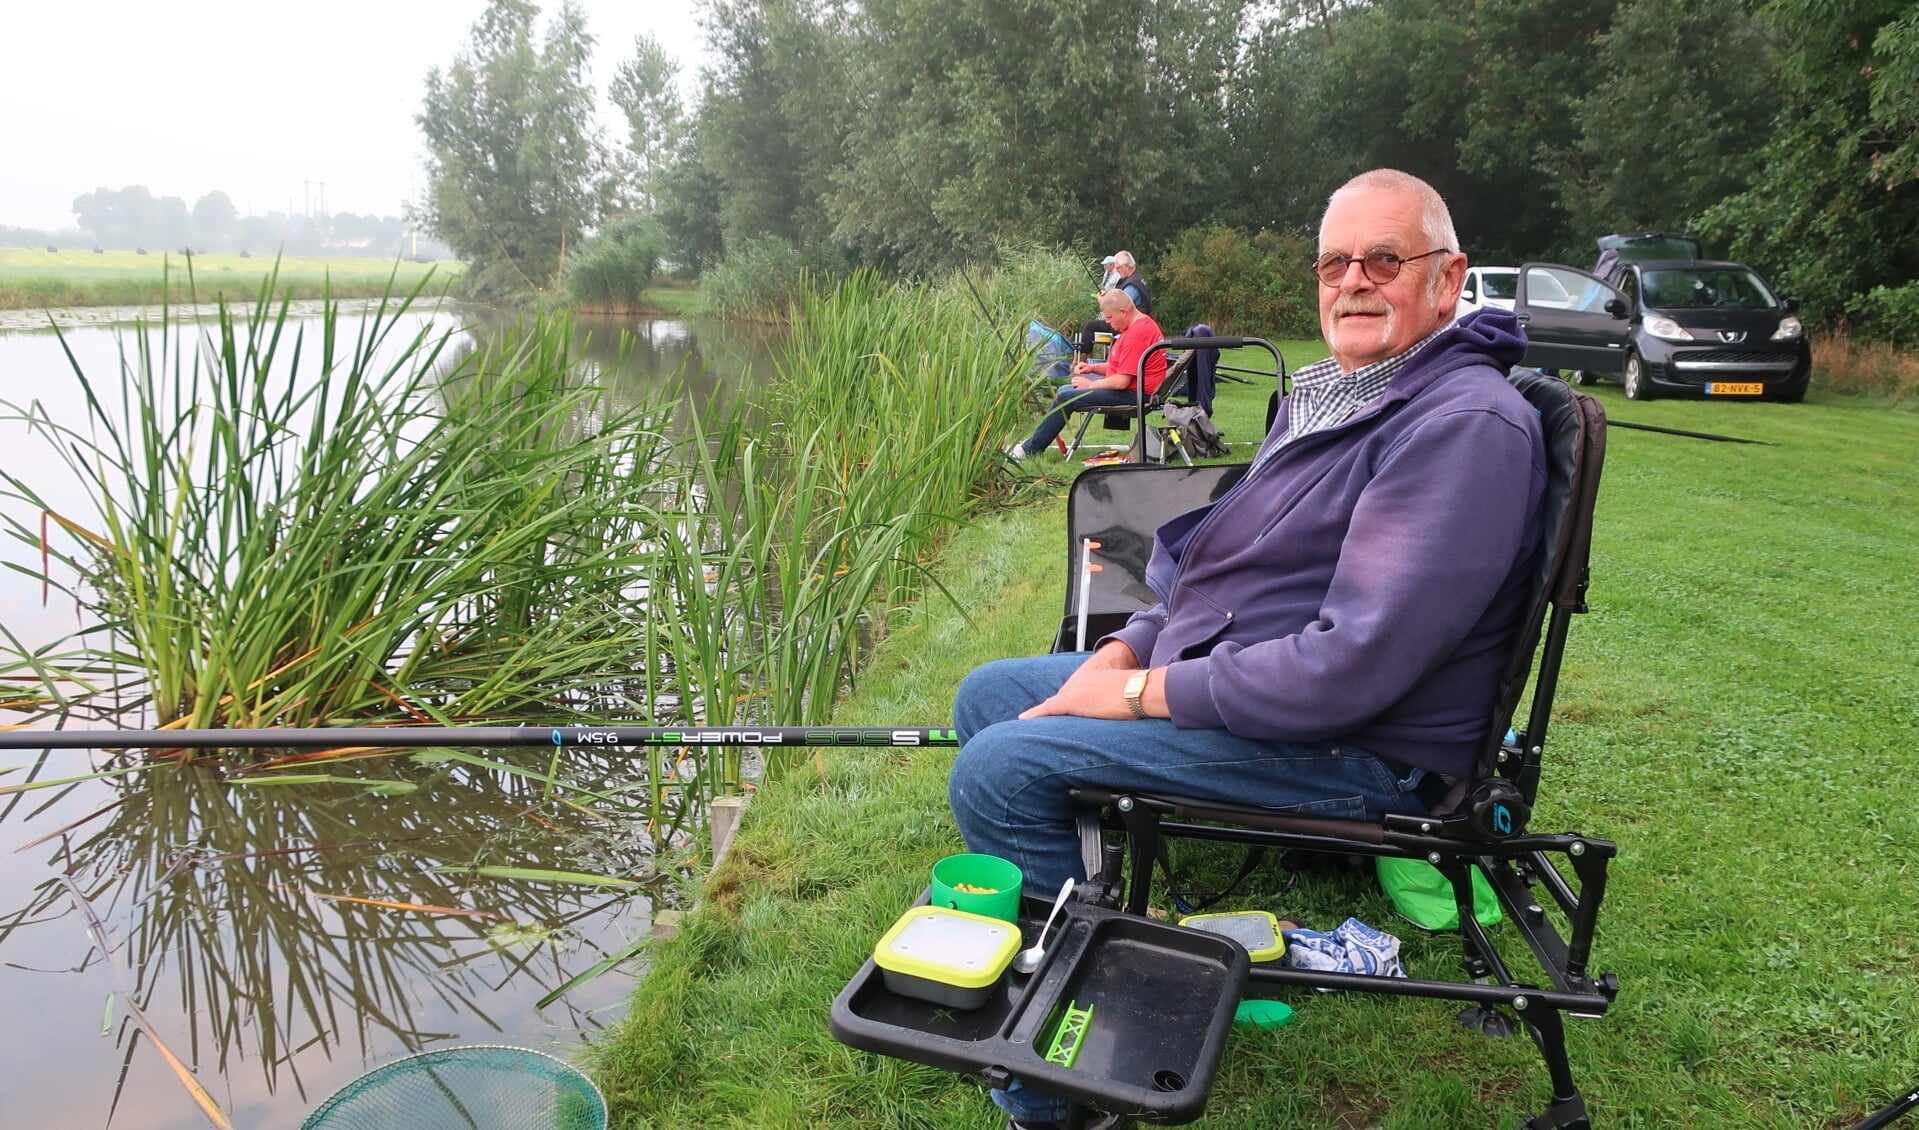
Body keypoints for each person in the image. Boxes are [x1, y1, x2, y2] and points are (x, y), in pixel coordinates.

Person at [950, 168, 1545, 1130]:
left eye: (1384, 259)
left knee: (997, 770)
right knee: (987, 695)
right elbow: (1221, 564)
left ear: (1448, 279)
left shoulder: (1459, 426)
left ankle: (1063, 1075)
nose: (1353, 280)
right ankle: (1082, 941)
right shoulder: (1344, 392)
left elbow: (1349, 668)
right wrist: (1128, 647)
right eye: (1334, 261)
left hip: (1359, 747)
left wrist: (1141, 694)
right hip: (1262, 681)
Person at [1006, 289, 1166, 462]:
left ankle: (1030, 449)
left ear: (1123, 312)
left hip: (1136, 395)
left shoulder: (1137, 334)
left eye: (1110, 318)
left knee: (1066, 396)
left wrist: (1089, 385)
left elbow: (1121, 381)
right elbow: (1121, 367)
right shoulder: (1135, 326)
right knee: (1066, 389)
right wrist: (1092, 368)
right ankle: (1032, 445)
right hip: (1132, 389)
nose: (1107, 322)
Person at [1077, 250, 1153, 357]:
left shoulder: (1132, 285)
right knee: (1086, 325)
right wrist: (1107, 294)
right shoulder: (1134, 279)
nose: (1117, 271)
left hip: (1127, 324)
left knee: (1089, 326)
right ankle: (1085, 356)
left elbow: (1119, 305)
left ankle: (1084, 358)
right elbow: (1119, 295)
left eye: (1118, 268)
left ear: (1127, 266)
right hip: (1127, 320)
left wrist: (1102, 301)